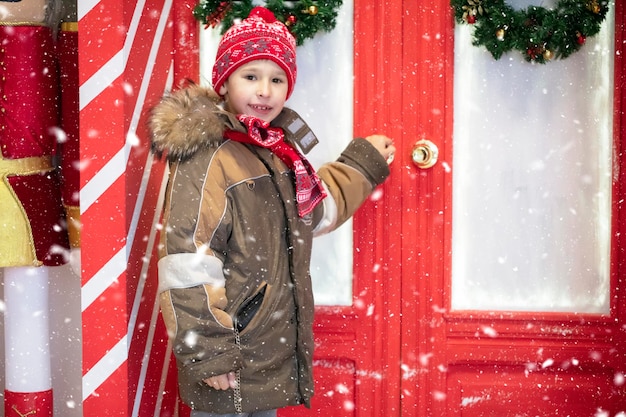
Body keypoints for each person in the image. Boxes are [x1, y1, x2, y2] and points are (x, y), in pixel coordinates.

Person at [149, 6, 395, 417]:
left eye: (276, 79)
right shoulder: (208, 157)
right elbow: (188, 260)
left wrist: (361, 165)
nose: (265, 90)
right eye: (251, 76)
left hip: (265, 352)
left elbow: (312, 211)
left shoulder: (276, 154)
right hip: (227, 354)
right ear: (225, 81)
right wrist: (207, 353)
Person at [1, 0, 80, 415]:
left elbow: (74, 122)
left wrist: (76, 215)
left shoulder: (54, 33)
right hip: (26, 195)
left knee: (26, 335)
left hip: (26, 198)